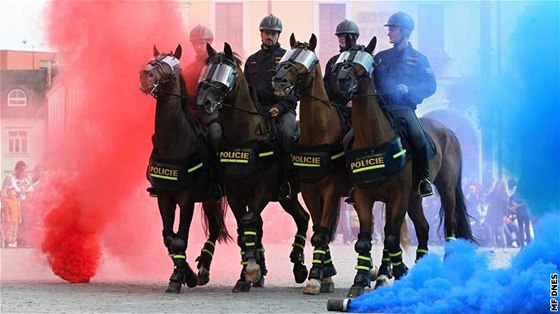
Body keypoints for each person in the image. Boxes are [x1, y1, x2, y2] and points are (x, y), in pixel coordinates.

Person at [373, 11, 437, 197]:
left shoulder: (419, 59)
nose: (389, 32)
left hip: (403, 108)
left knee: (418, 136)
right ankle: (355, 181)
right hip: (380, 108)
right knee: (351, 137)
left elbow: (430, 85)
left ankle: (424, 179)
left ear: (405, 31)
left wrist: (409, 89)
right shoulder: (380, 57)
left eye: (392, 29)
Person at [244, 14, 298, 200]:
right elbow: (246, 91)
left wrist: (281, 107)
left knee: (287, 136)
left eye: (274, 33)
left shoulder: (286, 58)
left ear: (278, 35)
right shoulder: (251, 60)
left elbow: (294, 90)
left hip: (282, 110)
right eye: (267, 33)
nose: (270, 36)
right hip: (257, 111)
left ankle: (287, 181)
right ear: (261, 34)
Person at [323, 19, 360, 132]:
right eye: (339, 36)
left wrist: (356, 101)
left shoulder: (362, 59)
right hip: (336, 109)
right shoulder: (333, 61)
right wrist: (338, 103)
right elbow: (326, 87)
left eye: (345, 35)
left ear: (355, 37)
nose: (341, 38)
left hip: (358, 109)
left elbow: (368, 84)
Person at [1, 161, 33, 248]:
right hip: (10, 204)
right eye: (24, 171)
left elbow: (29, 189)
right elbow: (6, 191)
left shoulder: (26, 178)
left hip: (20, 203)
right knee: (10, 223)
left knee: (18, 223)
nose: (25, 173)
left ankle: (18, 240)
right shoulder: (10, 177)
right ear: (19, 169)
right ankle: (9, 241)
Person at [508, 179, 531, 247]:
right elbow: (527, 200)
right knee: (526, 228)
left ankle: (523, 245)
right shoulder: (526, 190)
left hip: (520, 211)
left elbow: (514, 199)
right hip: (525, 211)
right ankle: (527, 245)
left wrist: (516, 204)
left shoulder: (517, 191)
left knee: (522, 228)